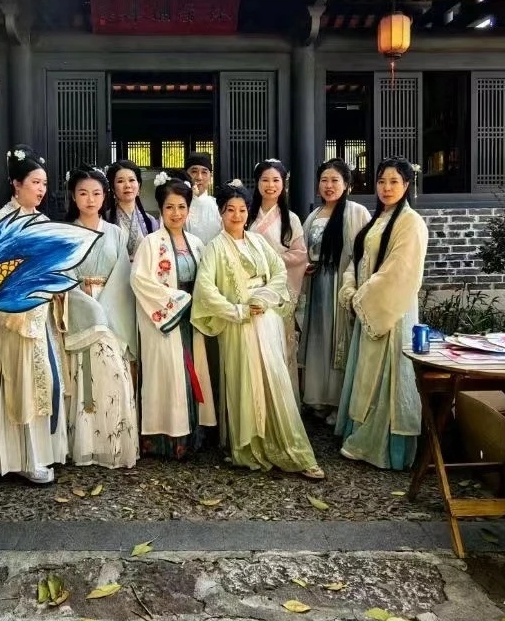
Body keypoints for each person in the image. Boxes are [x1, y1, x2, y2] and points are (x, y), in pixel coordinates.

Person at [192, 181, 324, 479]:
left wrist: (263, 298)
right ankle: (249, 446)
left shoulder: (258, 242)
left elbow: (278, 272)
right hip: (238, 326)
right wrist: (237, 310)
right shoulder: (214, 248)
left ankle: (291, 447)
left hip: (265, 319)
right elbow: (205, 290)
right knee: (245, 381)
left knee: (275, 379)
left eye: (242, 210)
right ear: (221, 213)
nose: (237, 216)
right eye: (230, 210)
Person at [335, 157, 429, 470]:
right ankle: (361, 434)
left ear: (407, 185)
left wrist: (361, 297)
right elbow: (358, 259)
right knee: (366, 373)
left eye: (394, 182)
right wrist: (350, 287)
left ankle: (385, 447)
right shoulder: (379, 219)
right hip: (369, 306)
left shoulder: (411, 222)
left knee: (387, 376)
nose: (386, 188)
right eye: (381, 181)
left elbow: (399, 272)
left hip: (391, 311)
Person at [0, 146, 68, 484]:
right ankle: (22, 458)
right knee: (19, 382)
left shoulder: (41, 221)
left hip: (40, 312)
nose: (41, 189)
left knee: (44, 378)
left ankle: (45, 452)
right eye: (35, 182)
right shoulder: (2, 221)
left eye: (44, 183)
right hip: (15, 315)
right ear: (16, 184)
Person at [56, 166, 140, 469]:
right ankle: (87, 445)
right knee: (83, 377)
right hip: (81, 308)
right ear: (73, 197)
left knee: (115, 376)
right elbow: (62, 278)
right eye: (83, 193)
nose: (90, 200)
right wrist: (90, 308)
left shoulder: (116, 233)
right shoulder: (65, 234)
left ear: (105, 196)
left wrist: (104, 310)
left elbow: (122, 279)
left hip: (112, 310)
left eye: (96, 193)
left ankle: (114, 445)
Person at [130, 173, 216, 457]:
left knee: (193, 372)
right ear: (160, 208)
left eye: (181, 207)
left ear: (188, 208)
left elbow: (206, 280)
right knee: (168, 374)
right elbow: (140, 281)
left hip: (193, 318)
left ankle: (192, 436)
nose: (176, 213)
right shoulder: (150, 243)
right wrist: (179, 300)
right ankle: (165, 438)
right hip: (166, 319)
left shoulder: (197, 243)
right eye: (169, 207)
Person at [299, 159, 371, 420]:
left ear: (346, 184)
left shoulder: (357, 213)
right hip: (317, 285)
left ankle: (340, 402)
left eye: (335, 180)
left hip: (341, 284)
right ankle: (318, 398)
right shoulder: (313, 216)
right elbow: (302, 251)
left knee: (340, 340)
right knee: (318, 338)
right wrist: (304, 266)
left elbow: (365, 253)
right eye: (324, 180)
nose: (328, 186)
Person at [247, 158, 306, 387]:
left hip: (280, 288)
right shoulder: (247, 215)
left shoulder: (291, 219)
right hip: (251, 288)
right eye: (265, 180)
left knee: (281, 343)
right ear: (257, 183)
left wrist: (271, 261)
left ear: (283, 184)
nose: (270, 185)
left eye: (275, 180)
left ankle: (283, 395)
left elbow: (300, 255)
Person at [103, 159, 158, 260]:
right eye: (120, 181)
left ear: (139, 185)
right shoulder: (104, 220)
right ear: (113, 188)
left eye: (132, 180)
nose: (127, 185)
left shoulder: (150, 221)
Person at [184, 151, 221, 245]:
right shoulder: (179, 205)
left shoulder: (218, 206)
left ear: (210, 176)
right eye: (194, 171)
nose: (199, 177)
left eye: (204, 172)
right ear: (186, 174)